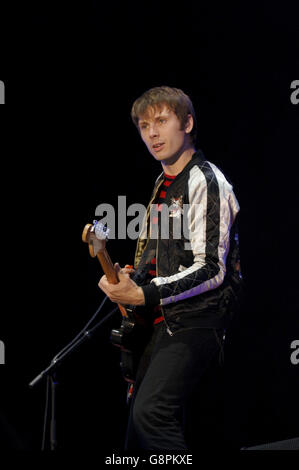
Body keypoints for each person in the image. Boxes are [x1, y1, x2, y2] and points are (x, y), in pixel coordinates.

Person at [98, 86, 242, 451]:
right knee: (135, 436)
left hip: (197, 320)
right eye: (144, 125)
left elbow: (212, 268)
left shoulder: (205, 179)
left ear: (188, 122)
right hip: (160, 323)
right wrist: (133, 277)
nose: (152, 133)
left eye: (161, 121)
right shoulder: (162, 184)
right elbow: (162, 260)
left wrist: (144, 292)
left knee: (151, 414)